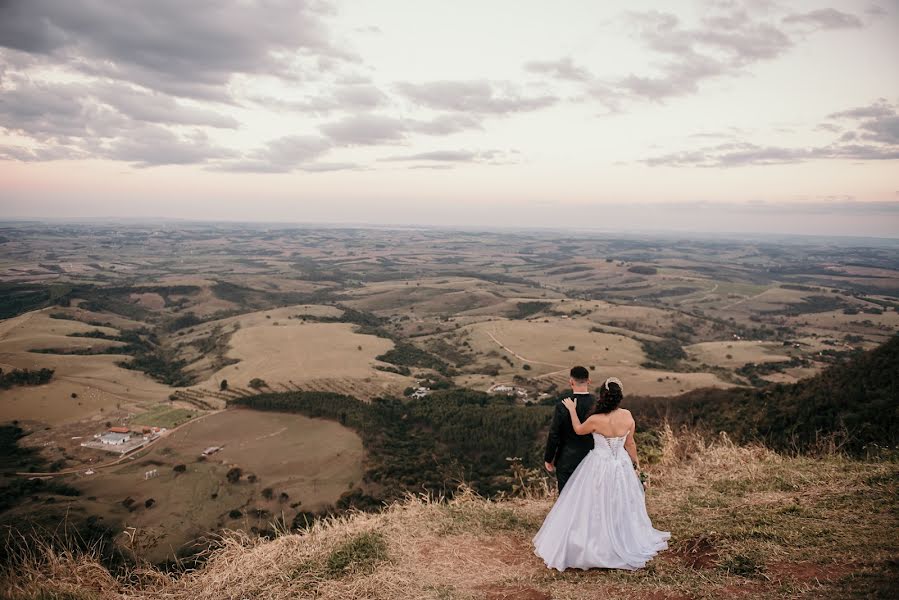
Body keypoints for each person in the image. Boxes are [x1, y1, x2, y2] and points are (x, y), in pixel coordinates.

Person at [533, 377, 670, 571]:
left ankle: (595, 542)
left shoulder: (596, 419)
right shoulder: (627, 415)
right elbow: (630, 443)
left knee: (593, 502)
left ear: (603, 396)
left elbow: (579, 430)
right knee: (621, 500)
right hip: (621, 464)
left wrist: (572, 410)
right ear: (619, 397)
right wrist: (636, 465)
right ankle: (622, 537)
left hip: (598, 464)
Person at [543, 366, 594, 492]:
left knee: (566, 497)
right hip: (593, 458)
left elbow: (554, 434)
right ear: (589, 381)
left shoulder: (562, 405)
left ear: (571, 381)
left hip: (567, 459)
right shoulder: (598, 404)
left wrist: (549, 458)